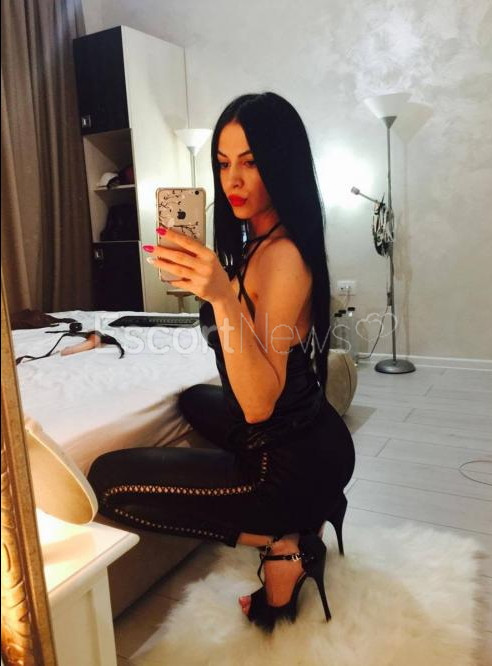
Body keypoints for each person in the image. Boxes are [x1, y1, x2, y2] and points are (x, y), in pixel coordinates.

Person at [87, 92, 355, 633]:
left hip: (286, 467)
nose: (233, 180)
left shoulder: (282, 256)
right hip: (316, 433)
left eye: (251, 162)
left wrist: (220, 296)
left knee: (107, 482)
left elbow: (258, 406)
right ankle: (306, 511)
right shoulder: (261, 242)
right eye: (223, 162)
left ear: (281, 164)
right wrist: (217, 287)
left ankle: (288, 541)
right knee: (193, 400)